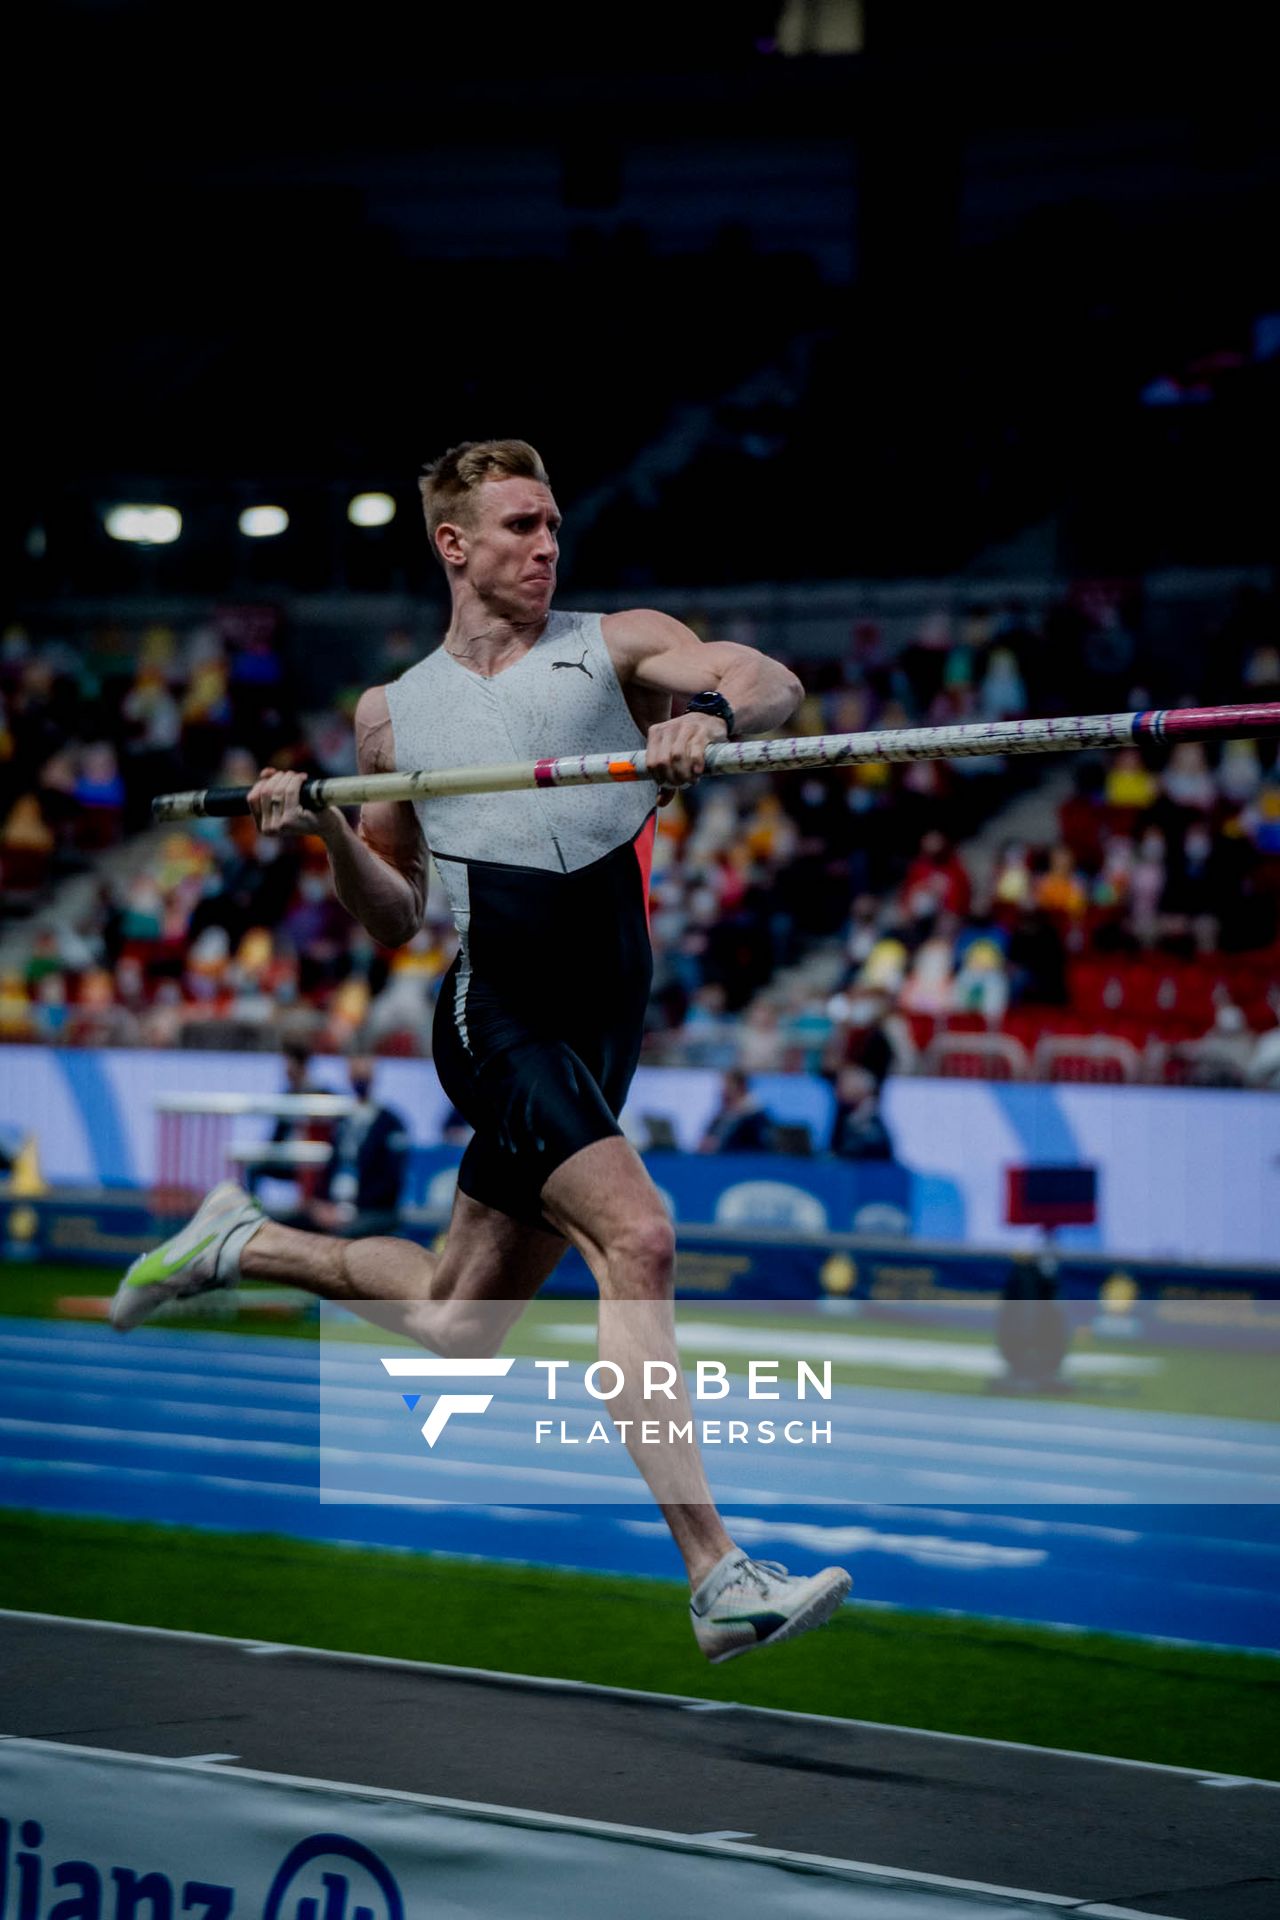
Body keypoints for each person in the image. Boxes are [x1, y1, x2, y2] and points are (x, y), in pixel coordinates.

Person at [112, 439, 850, 1663]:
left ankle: (244, 1240)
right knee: (641, 1235)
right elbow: (396, 910)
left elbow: (766, 679)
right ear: (453, 545)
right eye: (517, 526)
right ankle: (715, 1572)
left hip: (606, 1020)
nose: (545, 544)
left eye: (553, 522)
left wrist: (701, 720)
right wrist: (327, 833)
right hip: (495, 1010)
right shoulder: (393, 712)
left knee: (457, 1324)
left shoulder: (614, 647)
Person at [304, 1049, 409, 1239]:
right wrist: (319, 1203)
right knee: (290, 1226)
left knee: (342, 1235)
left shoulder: (390, 1123)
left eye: (364, 1074)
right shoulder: (343, 1119)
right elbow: (330, 1167)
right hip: (334, 1204)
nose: (359, 1079)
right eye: (355, 1073)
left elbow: (391, 1182)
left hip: (370, 1210)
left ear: (373, 1076)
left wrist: (349, 1210)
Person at [697, 1069, 775, 1154]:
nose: (723, 1090)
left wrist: (718, 1145)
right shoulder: (722, 1114)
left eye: (728, 1085)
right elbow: (706, 1139)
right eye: (722, 1086)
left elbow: (759, 1146)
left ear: (741, 1087)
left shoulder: (755, 1115)